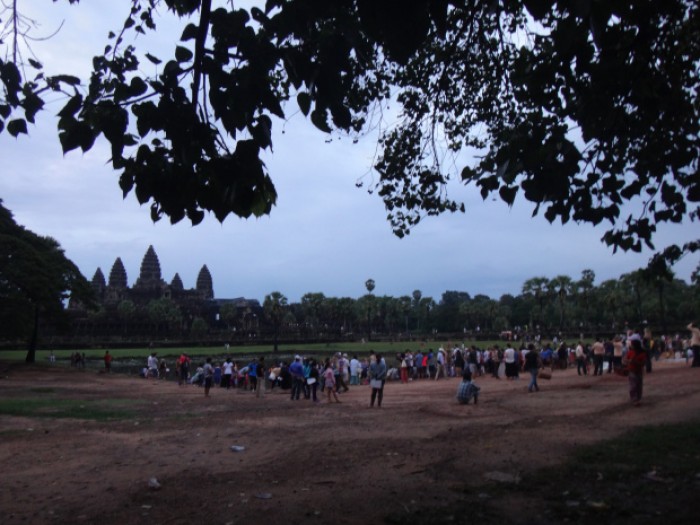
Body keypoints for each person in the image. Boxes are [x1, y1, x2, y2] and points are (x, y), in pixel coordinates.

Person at [623, 337, 647, 406]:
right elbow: (625, 360)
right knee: (634, 385)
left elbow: (643, 363)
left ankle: (637, 398)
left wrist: (634, 362)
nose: (631, 345)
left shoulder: (640, 353)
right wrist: (628, 361)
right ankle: (635, 399)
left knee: (637, 385)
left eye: (632, 344)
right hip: (633, 370)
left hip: (637, 370)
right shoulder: (632, 352)